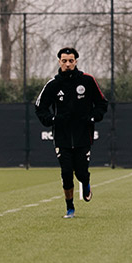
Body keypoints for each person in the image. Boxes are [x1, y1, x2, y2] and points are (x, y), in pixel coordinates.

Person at [35, 47, 108, 219]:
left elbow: (102, 104)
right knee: (66, 173)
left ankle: (86, 182)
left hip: (83, 135)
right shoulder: (53, 84)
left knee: (81, 173)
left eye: (71, 61)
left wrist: (92, 118)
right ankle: (70, 208)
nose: (67, 64)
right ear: (59, 62)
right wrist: (52, 120)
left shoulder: (88, 81)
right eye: (64, 61)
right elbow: (40, 107)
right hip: (62, 137)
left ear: (76, 61)